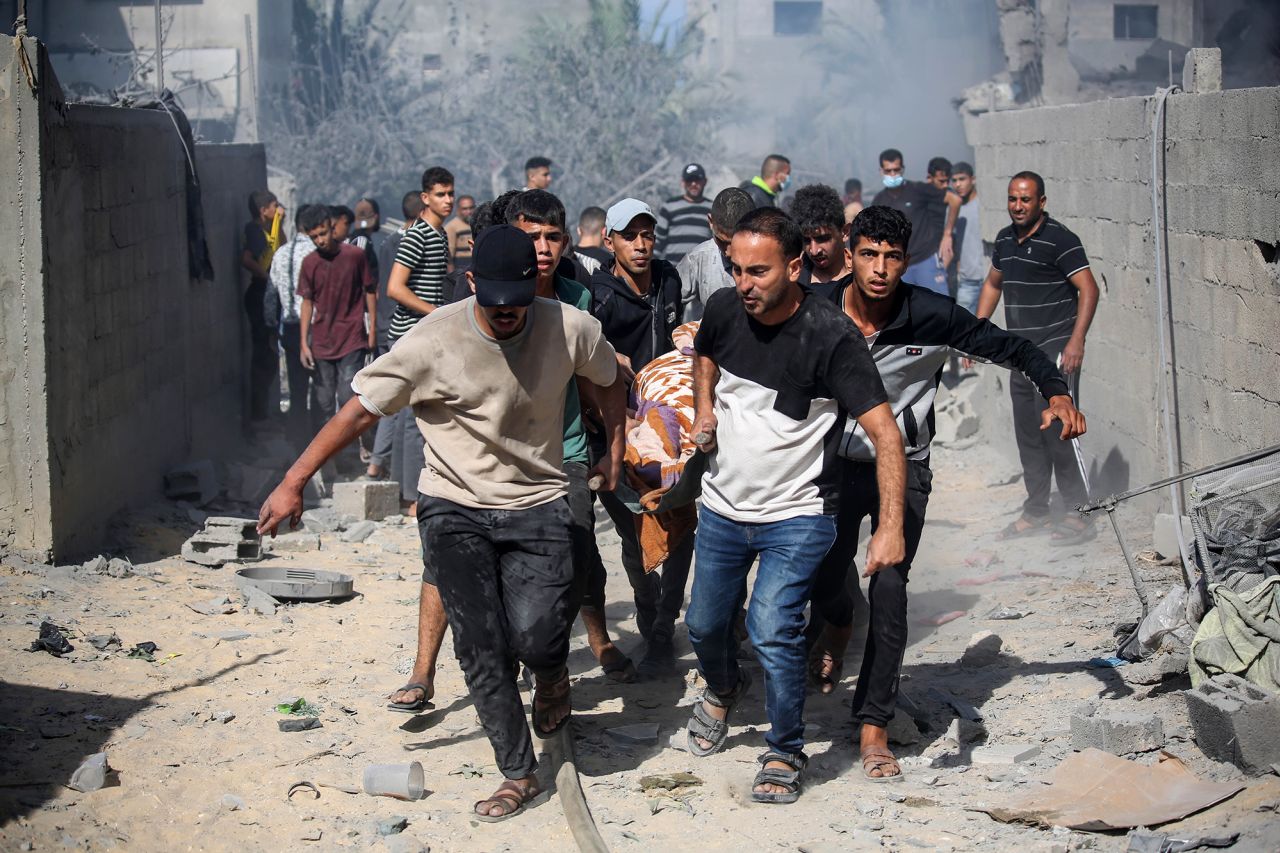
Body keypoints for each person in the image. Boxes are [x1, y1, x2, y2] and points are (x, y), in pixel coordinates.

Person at [258, 224, 626, 823]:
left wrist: (613, 449)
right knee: (480, 643)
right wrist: (293, 480)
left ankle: (553, 676)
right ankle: (517, 772)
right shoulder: (432, 340)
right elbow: (357, 413)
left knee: (537, 635)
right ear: (472, 282)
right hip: (454, 505)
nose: (508, 315)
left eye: (519, 301)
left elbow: (610, 381)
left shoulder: (569, 326)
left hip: (537, 501)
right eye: (494, 301)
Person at [805, 205, 1086, 781]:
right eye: (869, 254)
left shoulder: (928, 314)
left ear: (906, 262)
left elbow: (1018, 348)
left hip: (902, 468)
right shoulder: (816, 311)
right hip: (830, 466)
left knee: (889, 588)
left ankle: (874, 724)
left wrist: (1056, 391)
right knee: (823, 575)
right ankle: (836, 623)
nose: (880, 269)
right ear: (849, 254)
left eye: (892, 257)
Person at [683, 206, 906, 805]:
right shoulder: (727, 309)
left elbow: (887, 436)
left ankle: (784, 748)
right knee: (704, 624)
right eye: (735, 269)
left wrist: (889, 529)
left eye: (758, 271)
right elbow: (705, 354)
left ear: (796, 264)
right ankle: (723, 689)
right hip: (723, 508)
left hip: (799, 514)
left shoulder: (833, 338)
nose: (743, 284)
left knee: (771, 627)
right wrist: (705, 409)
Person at [386, 189, 638, 718]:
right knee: (445, 565)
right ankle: (422, 669)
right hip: (476, 463)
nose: (541, 250)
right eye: (530, 239)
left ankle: (577, 655)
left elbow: (595, 375)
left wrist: (612, 441)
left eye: (551, 238)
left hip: (559, 450)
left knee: (574, 550)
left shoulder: (577, 296)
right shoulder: (467, 294)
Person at [589, 198, 688, 676]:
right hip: (620, 428)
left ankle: (665, 625)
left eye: (647, 234)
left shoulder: (669, 279)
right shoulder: (599, 296)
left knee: (684, 524)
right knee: (635, 530)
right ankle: (649, 614)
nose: (641, 244)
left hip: (673, 426)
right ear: (610, 241)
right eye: (630, 235)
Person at [977, 171, 1100, 546]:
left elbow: (1089, 289)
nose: (1018, 206)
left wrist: (1076, 341)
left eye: (1025, 200)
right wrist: (975, 332)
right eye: (1013, 199)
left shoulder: (1060, 240)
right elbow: (992, 284)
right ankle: (1037, 511)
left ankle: (1080, 515)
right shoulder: (1003, 240)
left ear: (1041, 202)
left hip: (1055, 351)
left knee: (1058, 433)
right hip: (1020, 354)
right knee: (1028, 435)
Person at [386, 167, 453, 511]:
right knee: (416, 418)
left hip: (424, 334)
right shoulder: (418, 235)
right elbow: (395, 288)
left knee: (408, 418)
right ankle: (412, 498)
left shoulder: (439, 235)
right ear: (425, 198)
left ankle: (405, 491)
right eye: (441, 194)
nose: (448, 201)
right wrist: (436, 313)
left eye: (450, 194)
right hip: (410, 336)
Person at [296, 205, 377, 462]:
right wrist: (303, 343)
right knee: (322, 402)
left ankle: (351, 449)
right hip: (322, 341)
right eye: (314, 237)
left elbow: (369, 291)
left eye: (322, 233)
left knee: (347, 395)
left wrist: (372, 327)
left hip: (352, 336)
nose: (320, 241)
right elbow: (307, 302)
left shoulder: (354, 256)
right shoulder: (310, 263)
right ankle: (324, 458)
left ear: (332, 228)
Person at [365, 191, 424, 482]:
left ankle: (380, 465)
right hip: (403, 330)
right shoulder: (413, 243)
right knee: (402, 408)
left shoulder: (389, 242)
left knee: (394, 403)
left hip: (389, 327)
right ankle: (392, 472)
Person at [872, 150, 960, 297]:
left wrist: (947, 234)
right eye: (888, 170)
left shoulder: (917, 190)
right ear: (881, 171)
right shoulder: (879, 201)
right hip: (898, 266)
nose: (893, 174)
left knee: (940, 308)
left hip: (926, 260)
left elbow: (954, 201)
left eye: (896, 170)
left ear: (903, 169)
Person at [267, 204, 319, 447]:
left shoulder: (281, 253)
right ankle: (320, 442)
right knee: (320, 388)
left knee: (297, 390)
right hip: (315, 329)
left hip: (288, 328)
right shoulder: (317, 253)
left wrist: (270, 327)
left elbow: (270, 296)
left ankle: (297, 441)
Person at [677, 187, 754, 321]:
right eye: (721, 241)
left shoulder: (770, 257)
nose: (729, 253)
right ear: (710, 222)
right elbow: (668, 304)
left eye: (735, 242)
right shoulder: (698, 260)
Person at [241, 189, 285, 421]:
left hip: (268, 295)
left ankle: (263, 412)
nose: (277, 209)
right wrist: (267, 278)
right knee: (263, 354)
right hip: (260, 295)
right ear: (263, 210)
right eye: (274, 206)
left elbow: (282, 248)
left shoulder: (270, 230)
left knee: (269, 353)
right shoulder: (255, 230)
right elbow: (248, 259)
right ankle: (259, 415)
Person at [791, 183, 854, 303]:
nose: (814, 251)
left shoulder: (862, 278)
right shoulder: (793, 278)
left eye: (822, 239)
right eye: (807, 240)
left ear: (845, 232)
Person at [654, 163, 713, 264]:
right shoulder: (669, 206)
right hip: (673, 271)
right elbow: (658, 242)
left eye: (697, 179)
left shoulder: (712, 208)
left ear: (705, 181)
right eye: (689, 180)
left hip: (702, 272)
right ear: (683, 182)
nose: (693, 184)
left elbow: (718, 240)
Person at [949, 163, 984, 313]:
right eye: (954, 180)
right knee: (964, 328)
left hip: (988, 277)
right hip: (966, 280)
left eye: (962, 179)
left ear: (973, 179)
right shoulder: (953, 210)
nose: (958, 184)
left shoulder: (983, 206)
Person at [445, 194, 476, 269]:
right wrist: (452, 277)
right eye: (464, 209)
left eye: (471, 208)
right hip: (461, 266)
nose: (469, 212)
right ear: (458, 210)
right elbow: (449, 257)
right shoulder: (451, 227)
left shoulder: (478, 224)